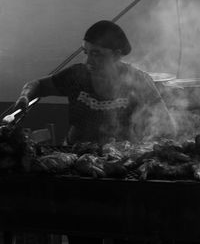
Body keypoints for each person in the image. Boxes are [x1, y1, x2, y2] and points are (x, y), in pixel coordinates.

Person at [14, 20, 176, 244]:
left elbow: (167, 126)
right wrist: (25, 96)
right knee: (82, 232)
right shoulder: (76, 76)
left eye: (97, 54)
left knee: (127, 231)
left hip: (121, 173)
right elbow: (38, 85)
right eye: (86, 52)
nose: (89, 61)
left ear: (117, 55)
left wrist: (148, 141)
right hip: (78, 171)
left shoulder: (139, 81)